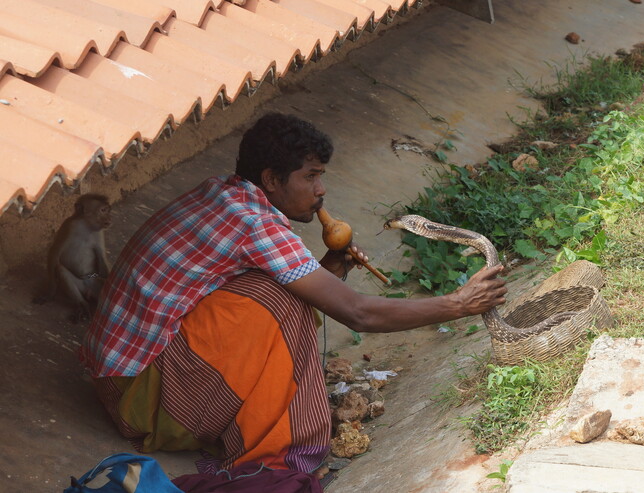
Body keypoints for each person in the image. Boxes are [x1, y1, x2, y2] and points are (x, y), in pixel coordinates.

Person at [80, 113, 507, 477]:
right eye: (311, 176)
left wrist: (333, 268)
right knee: (281, 303)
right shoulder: (255, 223)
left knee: (278, 292)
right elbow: (358, 314)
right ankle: (275, 449)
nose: (321, 191)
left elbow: (310, 289)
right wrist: (459, 303)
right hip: (141, 404)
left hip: (117, 381)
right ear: (271, 179)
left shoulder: (224, 192)